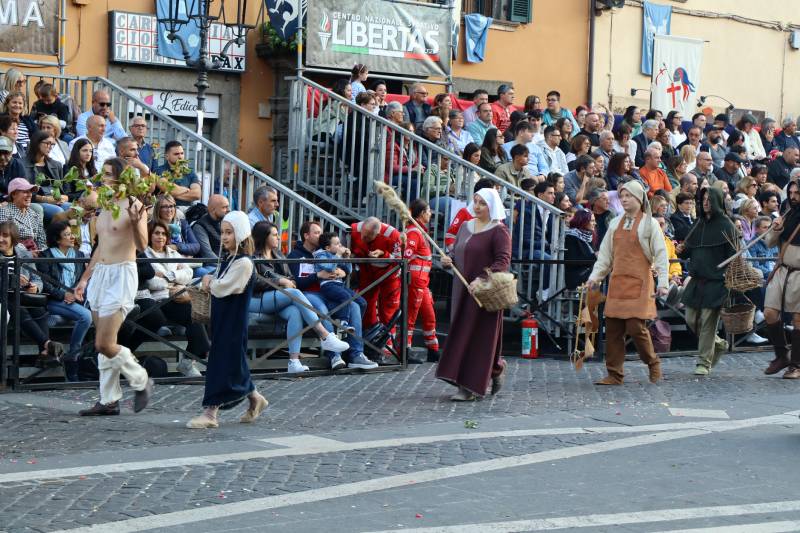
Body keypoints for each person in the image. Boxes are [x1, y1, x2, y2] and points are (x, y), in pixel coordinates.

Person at [75, 157, 154, 416]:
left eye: (110, 175)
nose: (105, 179)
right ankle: (109, 400)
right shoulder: (104, 206)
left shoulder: (134, 204)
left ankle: (141, 380)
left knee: (104, 344)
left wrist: (134, 220)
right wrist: (85, 279)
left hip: (122, 273)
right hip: (102, 275)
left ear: (122, 178)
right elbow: (100, 247)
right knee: (106, 342)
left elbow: (143, 246)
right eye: (104, 174)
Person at [186, 211, 268, 428]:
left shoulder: (243, 263)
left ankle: (210, 412)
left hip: (233, 320)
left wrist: (209, 282)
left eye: (229, 232)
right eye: (223, 232)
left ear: (240, 234)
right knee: (234, 361)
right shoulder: (229, 259)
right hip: (222, 318)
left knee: (221, 363)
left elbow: (226, 287)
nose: (224, 237)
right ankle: (254, 397)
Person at [587, 180, 668, 385]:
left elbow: (660, 255)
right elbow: (605, 256)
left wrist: (663, 283)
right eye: (621, 196)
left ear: (639, 198)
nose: (623, 199)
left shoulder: (650, 224)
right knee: (613, 328)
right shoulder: (615, 224)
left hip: (640, 283)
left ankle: (652, 362)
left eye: (628, 196)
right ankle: (614, 373)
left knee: (635, 327)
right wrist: (594, 277)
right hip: (618, 282)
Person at [438, 187, 511, 400]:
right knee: (462, 334)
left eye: (482, 203)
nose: (477, 206)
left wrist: (482, 279)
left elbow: (503, 261)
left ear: (492, 206)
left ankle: (469, 387)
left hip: (484, 294)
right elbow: (458, 250)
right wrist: (448, 259)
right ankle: (495, 369)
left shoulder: (499, 231)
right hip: (462, 291)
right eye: (475, 201)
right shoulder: (465, 226)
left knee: (480, 339)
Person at [250, 222, 351, 373]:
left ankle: (294, 362)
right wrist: (279, 281)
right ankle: (325, 335)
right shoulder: (253, 257)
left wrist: (289, 281)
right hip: (258, 299)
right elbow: (254, 282)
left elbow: (292, 278)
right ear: (264, 237)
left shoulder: (278, 255)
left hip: (280, 297)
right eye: (275, 234)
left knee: (295, 312)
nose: (279, 237)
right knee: (296, 294)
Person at [287, 220, 375, 370]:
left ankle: (356, 354)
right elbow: (299, 283)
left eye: (321, 232)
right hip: (310, 294)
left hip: (331, 291)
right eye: (316, 233)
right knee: (322, 310)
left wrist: (344, 271)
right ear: (306, 236)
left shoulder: (328, 251)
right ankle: (334, 355)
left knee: (354, 304)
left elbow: (342, 267)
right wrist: (318, 275)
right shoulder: (295, 255)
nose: (320, 235)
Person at [676, 187, 736, 376]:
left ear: (717, 201)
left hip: (717, 282)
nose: (706, 202)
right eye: (704, 199)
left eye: (710, 199)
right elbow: (688, 250)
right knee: (691, 320)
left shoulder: (727, 226)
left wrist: (728, 278)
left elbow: (734, 256)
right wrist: (681, 249)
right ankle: (718, 343)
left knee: (709, 323)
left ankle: (703, 362)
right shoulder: (698, 223)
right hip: (696, 280)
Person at [142, 220, 210, 375]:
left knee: (201, 310)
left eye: (163, 234)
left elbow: (189, 273)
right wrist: (176, 277)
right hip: (159, 299)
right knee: (193, 312)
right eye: (156, 233)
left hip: (178, 294)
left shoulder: (173, 253)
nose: (160, 237)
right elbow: (152, 282)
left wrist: (168, 275)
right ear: (150, 235)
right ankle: (196, 357)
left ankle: (190, 360)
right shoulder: (145, 253)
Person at [0, 220, 65, 368]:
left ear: (13, 238)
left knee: (39, 309)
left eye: (5, 236)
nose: (0, 239)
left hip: (24, 295)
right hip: (5, 298)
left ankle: (44, 353)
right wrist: (12, 280)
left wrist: (35, 287)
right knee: (18, 307)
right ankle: (47, 345)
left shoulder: (23, 253)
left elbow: (36, 277)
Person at [39, 221, 92, 380]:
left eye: (72, 233)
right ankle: (73, 357)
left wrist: (75, 292)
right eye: (67, 235)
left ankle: (89, 362)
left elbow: (82, 279)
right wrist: (63, 295)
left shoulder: (79, 255)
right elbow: (45, 284)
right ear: (57, 239)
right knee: (86, 316)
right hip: (54, 300)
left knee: (96, 315)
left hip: (75, 300)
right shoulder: (45, 256)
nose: (72, 237)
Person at [761, 180, 800, 377]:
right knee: (769, 313)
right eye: (791, 192)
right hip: (782, 270)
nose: (793, 197)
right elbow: (769, 243)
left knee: (798, 319)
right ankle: (781, 355)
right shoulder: (787, 214)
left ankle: (796, 365)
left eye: (797, 193)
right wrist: (776, 229)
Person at [403, 199, 440, 362]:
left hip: (422, 284)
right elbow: (406, 258)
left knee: (429, 315)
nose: (431, 213)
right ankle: (405, 350)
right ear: (422, 213)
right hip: (415, 283)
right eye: (429, 210)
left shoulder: (420, 231)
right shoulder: (413, 232)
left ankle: (433, 350)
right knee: (410, 317)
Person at [312, 231, 367, 324]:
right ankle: (344, 323)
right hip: (328, 286)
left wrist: (347, 257)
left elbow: (348, 270)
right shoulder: (321, 255)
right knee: (346, 297)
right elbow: (330, 268)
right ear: (327, 248)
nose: (340, 245)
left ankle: (353, 326)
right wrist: (338, 255)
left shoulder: (334, 255)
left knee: (362, 303)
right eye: (337, 244)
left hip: (340, 285)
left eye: (340, 243)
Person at [24, 130, 69, 223]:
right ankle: (53, 236)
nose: (50, 147)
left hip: (55, 200)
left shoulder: (56, 165)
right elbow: (24, 192)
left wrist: (63, 198)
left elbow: (64, 191)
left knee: (73, 208)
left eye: (52, 144)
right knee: (58, 211)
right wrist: (46, 199)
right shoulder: (22, 164)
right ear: (37, 143)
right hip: (36, 201)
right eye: (47, 143)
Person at [0, 178, 46, 251]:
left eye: (30, 192)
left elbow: (42, 242)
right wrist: (27, 254)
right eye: (25, 192)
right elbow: (4, 241)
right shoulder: (4, 212)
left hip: (35, 258)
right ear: (14, 194)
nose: (29, 195)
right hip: (15, 257)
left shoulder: (35, 215)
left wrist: (41, 254)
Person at [151, 141, 202, 206]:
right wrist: (186, 190)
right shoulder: (158, 171)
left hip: (188, 210)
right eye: (176, 154)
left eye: (182, 153)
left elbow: (197, 194)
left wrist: (171, 194)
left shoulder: (189, 172)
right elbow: (170, 189)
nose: (180, 157)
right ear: (167, 156)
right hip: (166, 210)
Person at [152, 194, 201, 258]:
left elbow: (196, 246)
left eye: (171, 206)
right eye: (165, 207)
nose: (169, 210)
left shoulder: (182, 224)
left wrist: (177, 247)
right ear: (158, 209)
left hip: (184, 262)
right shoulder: (152, 226)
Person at [563, 209, 597, 290]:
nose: (595, 223)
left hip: (588, 272)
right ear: (583, 221)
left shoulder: (589, 236)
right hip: (577, 276)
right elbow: (573, 261)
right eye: (592, 221)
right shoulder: (571, 237)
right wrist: (595, 255)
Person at [193, 194, 230, 262]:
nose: (228, 210)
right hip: (210, 265)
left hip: (226, 262)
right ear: (213, 209)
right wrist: (224, 267)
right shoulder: (199, 227)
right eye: (224, 207)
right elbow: (208, 254)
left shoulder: (225, 221)